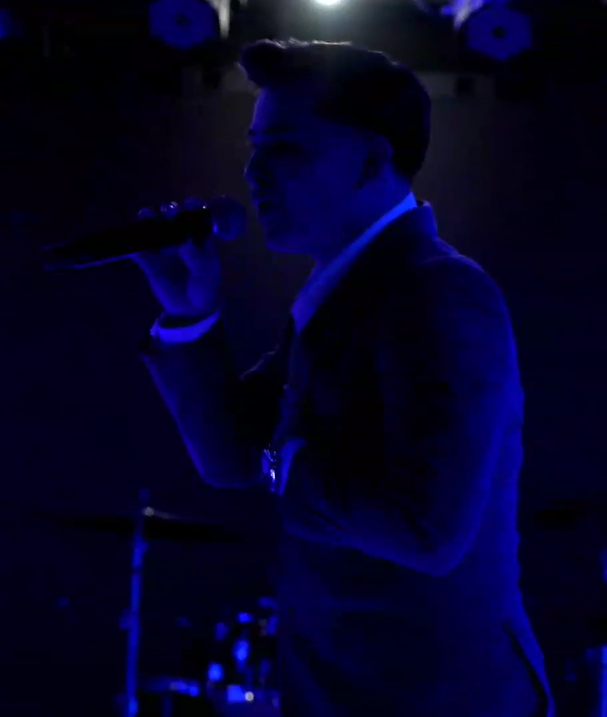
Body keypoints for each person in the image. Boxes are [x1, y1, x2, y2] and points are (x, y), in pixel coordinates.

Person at [133, 39, 552, 716]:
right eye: (252, 146)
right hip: (350, 689)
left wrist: (285, 463)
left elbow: (428, 531)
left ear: (371, 160)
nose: (255, 173)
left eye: (285, 149)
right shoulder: (343, 296)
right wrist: (190, 313)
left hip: (433, 698)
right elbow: (230, 458)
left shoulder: (437, 291)